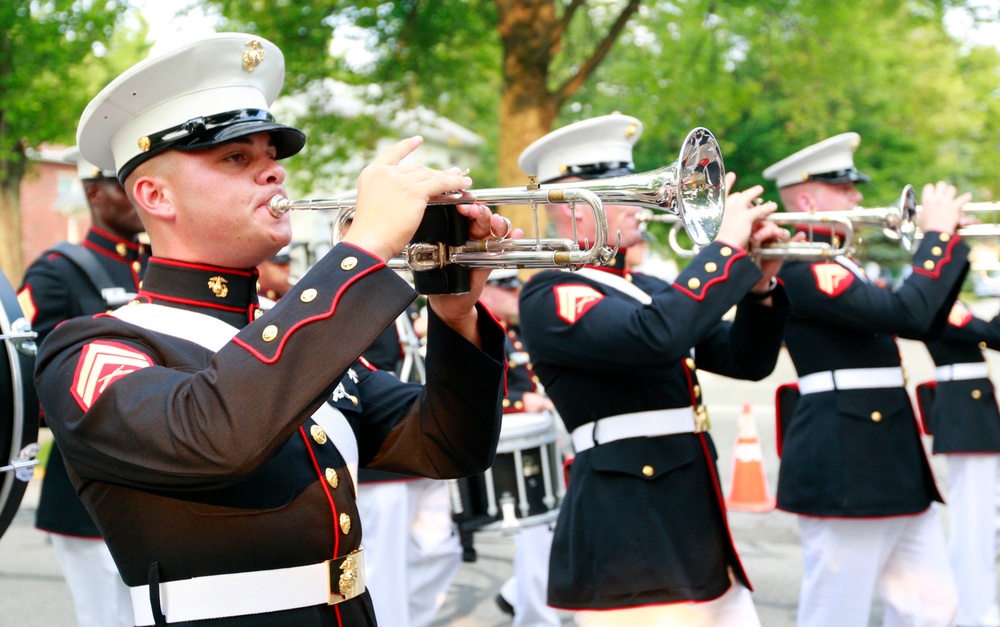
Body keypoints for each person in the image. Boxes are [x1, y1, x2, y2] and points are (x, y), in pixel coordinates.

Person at [33, 32, 510, 627]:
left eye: (272, 157)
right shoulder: (93, 348)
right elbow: (216, 436)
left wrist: (455, 313)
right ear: (155, 195)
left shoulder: (290, 337)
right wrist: (363, 250)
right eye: (237, 158)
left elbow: (446, 445)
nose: (274, 175)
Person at [518, 113, 792, 626]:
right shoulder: (552, 294)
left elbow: (746, 361)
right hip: (630, 538)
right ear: (579, 210)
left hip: (694, 527)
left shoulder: (649, 288)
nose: (648, 205)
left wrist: (759, 288)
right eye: (630, 194)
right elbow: (656, 337)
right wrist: (723, 251)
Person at [764, 132, 970, 626]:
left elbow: (924, 317)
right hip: (846, 456)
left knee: (933, 606)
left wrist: (950, 246)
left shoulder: (839, 263)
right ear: (809, 199)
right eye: (845, 187)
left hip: (885, 456)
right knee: (837, 609)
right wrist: (936, 240)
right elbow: (905, 312)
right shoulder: (803, 263)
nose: (858, 197)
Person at [16, 147, 146, 627]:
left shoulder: (156, 266)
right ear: (93, 191)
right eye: (122, 183)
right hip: (86, 491)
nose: (137, 195)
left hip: (155, 488)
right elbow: (30, 370)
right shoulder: (59, 270)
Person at [479, 269, 561, 627]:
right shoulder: (479, 328)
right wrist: (519, 403)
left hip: (533, 443)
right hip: (507, 451)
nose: (516, 293)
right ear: (486, 289)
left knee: (551, 529)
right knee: (537, 530)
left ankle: (517, 595)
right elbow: (473, 396)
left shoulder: (512, 329)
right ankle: (535, 616)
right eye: (506, 286)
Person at [916, 300, 1000, 626]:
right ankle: (972, 611)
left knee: (983, 520)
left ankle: (969, 607)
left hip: (971, 407)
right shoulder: (943, 305)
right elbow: (994, 334)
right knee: (973, 525)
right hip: (966, 412)